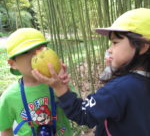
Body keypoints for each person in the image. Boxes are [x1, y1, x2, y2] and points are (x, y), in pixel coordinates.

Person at [32, 8, 150, 136]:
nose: (109, 49)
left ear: (143, 46)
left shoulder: (119, 88)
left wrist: (59, 87)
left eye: (115, 43)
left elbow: (83, 114)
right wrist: (112, 70)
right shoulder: (138, 82)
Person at [0, 28, 73, 136]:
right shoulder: (9, 97)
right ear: (13, 63)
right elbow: (5, 130)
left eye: (41, 48)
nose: (36, 54)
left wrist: (62, 87)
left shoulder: (57, 84)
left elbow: (75, 110)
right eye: (26, 51)